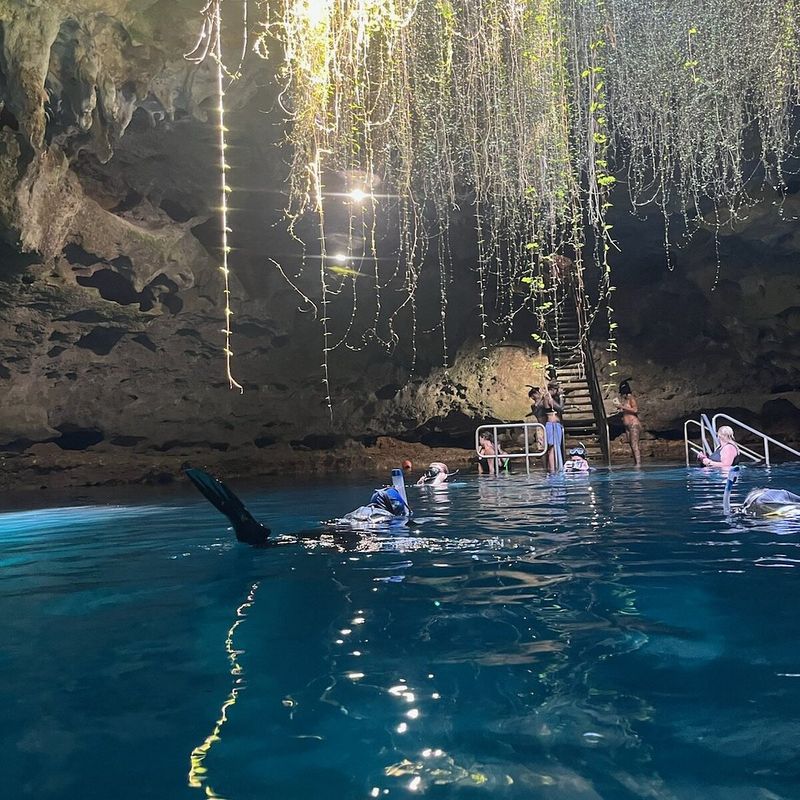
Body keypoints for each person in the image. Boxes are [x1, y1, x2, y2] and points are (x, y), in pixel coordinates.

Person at [613, 379, 642, 466]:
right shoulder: (625, 400)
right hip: (627, 426)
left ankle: (638, 464)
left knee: (634, 445)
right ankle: (635, 463)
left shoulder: (631, 398)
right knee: (631, 445)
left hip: (634, 424)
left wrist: (622, 407)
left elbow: (635, 410)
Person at [544, 407, 564, 473]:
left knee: (555, 448)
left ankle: (553, 467)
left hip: (556, 425)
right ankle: (552, 468)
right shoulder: (548, 403)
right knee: (552, 448)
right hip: (552, 425)